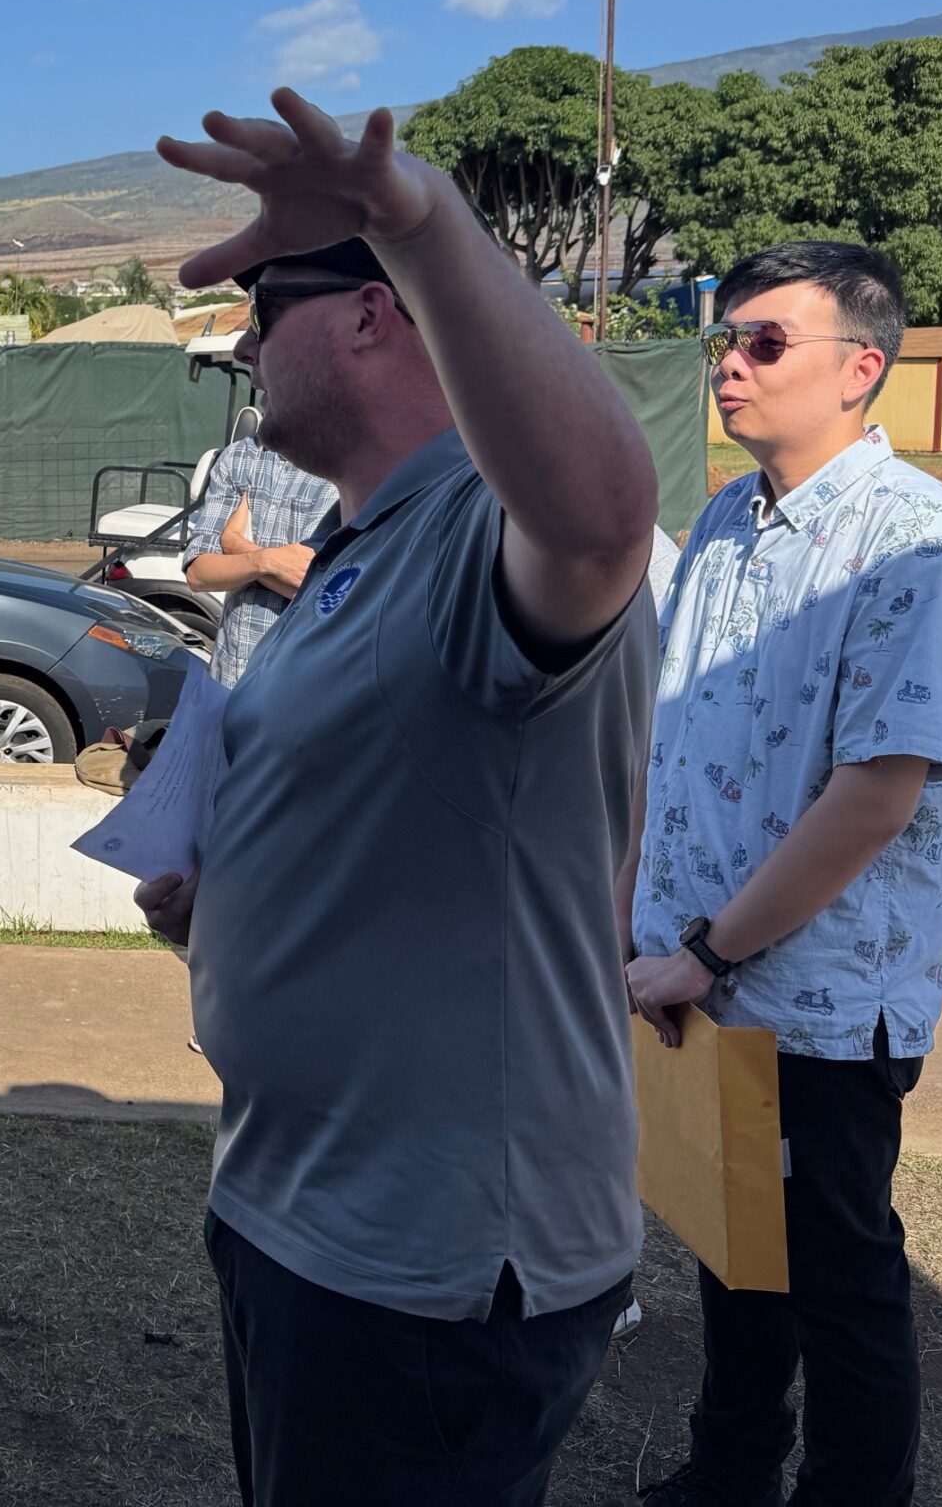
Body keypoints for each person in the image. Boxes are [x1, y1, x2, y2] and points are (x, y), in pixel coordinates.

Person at [135, 94, 659, 1504]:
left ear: (376, 316)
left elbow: (604, 516)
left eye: (270, 304)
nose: (244, 340)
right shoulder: (355, 542)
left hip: (428, 1263)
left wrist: (416, 221)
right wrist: (227, 905)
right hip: (296, 1209)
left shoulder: (484, 526)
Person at [624, 244, 942, 1507]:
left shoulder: (919, 543)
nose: (727, 362)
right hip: (695, 970)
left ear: (861, 370)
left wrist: (713, 950)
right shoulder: (727, 520)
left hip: (822, 998)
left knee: (838, 1275)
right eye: (720, 341)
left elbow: (878, 793)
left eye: (763, 342)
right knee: (735, 1255)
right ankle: (726, 1472)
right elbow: (670, 735)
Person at [181, 425, 336, 685]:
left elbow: (318, 590)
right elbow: (199, 574)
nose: (262, 387)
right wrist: (266, 561)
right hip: (227, 680)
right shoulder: (239, 456)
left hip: (298, 688)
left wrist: (235, 547)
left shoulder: (342, 466)